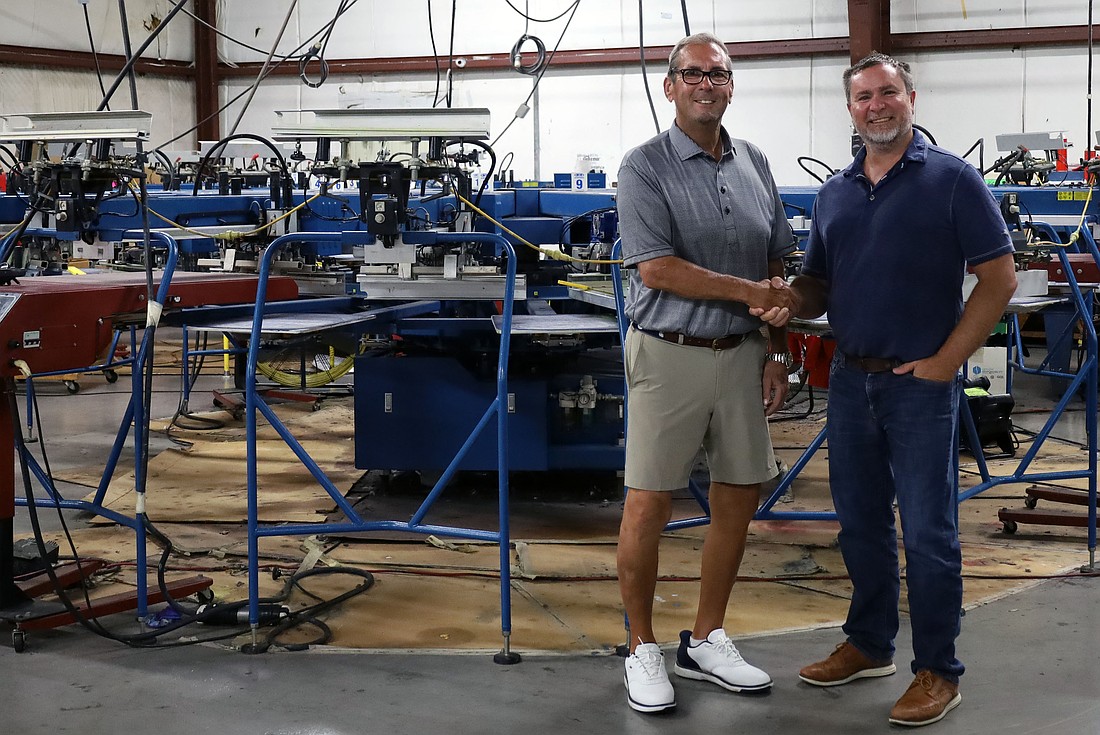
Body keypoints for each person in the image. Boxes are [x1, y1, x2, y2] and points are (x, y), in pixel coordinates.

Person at [753, 52, 1017, 727]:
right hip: (850, 382)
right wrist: (789, 300)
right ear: (850, 109)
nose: (877, 105)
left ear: (911, 98)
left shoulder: (953, 181)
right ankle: (870, 643)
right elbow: (819, 283)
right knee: (861, 523)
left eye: (888, 92)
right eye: (864, 96)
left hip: (919, 387)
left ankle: (938, 670)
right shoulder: (835, 193)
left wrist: (947, 362)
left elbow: (1000, 280)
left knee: (928, 532)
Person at [615, 32, 797, 714]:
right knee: (648, 501)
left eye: (717, 74)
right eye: (692, 74)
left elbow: (777, 258)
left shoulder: (755, 161)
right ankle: (641, 646)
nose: (706, 84)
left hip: (742, 353)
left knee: (739, 495)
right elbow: (657, 269)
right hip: (669, 351)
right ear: (670, 87)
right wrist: (750, 293)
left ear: (730, 86)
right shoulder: (645, 166)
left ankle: (705, 637)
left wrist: (776, 349)